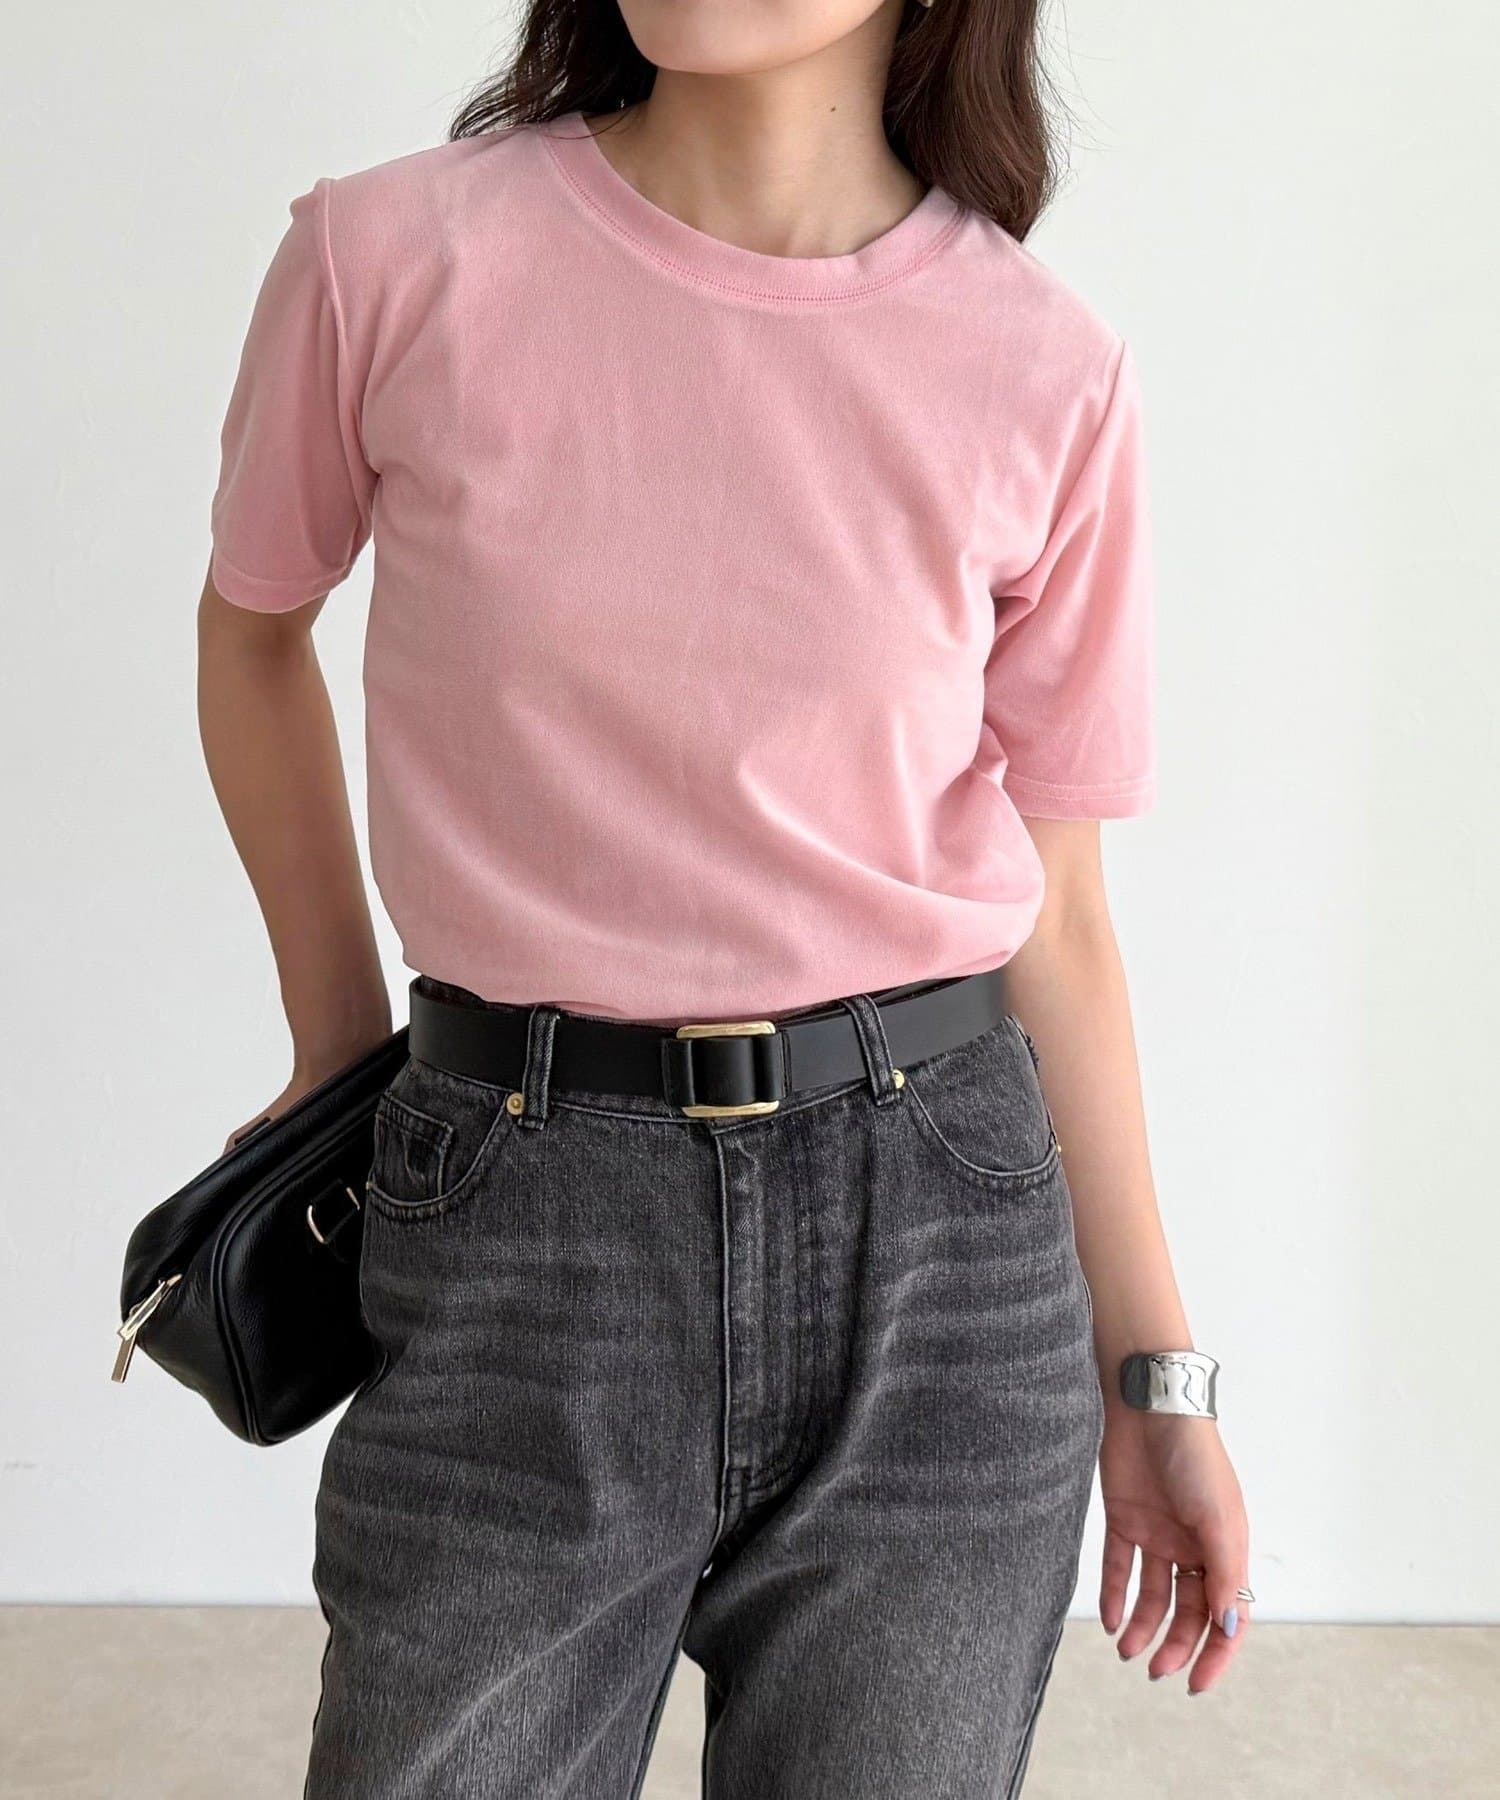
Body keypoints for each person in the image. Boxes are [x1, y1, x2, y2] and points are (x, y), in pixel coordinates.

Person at [199, 0, 1251, 1793]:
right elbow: (251, 636)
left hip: (944, 1243)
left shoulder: (1044, 368)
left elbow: (1062, 913)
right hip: (516, 1206)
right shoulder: (390, 258)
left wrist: (1155, 1376)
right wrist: (337, 1053)